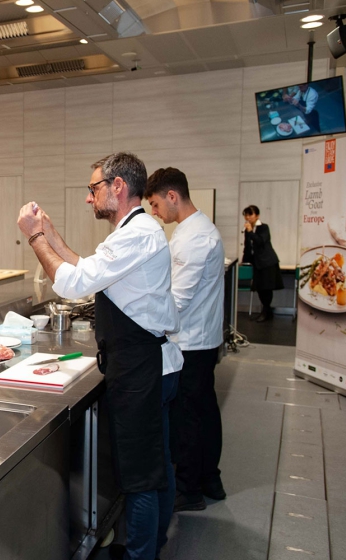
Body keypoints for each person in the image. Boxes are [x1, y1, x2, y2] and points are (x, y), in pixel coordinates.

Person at [17, 152, 182, 560]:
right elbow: (85, 267)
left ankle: (142, 554)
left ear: (118, 187)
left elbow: (73, 283)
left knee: (141, 476)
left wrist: (34, 238)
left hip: (142, 368)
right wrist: (51, 232)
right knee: (155, 464)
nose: (89, 199)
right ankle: (153, 544)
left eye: (94, 189)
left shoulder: (138, 233)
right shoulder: (134, 231)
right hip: (147, 365)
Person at [146, 168, 226, 513]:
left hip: (192, 342)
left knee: (189, 418)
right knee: (204, 411)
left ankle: (190, 489)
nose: (154, 212)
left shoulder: (195, 238)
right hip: (199, 338)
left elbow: (177, 299)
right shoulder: (194, 230)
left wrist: (144, 322)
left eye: (155, 204)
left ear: (172, 196)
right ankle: (210, 478)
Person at [242, 205, 283, 322]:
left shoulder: (263, 227)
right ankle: (267, 311)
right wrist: (244, 261)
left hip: (267, 262)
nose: (247, 217)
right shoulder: (247, 230)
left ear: (257, 216)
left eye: (250, 214)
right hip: (257, 263)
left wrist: (250, 231)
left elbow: (260, 242)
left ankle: (266, 311)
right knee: (259, 288)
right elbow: (247, 246)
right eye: (246, 214)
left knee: (266, 288)